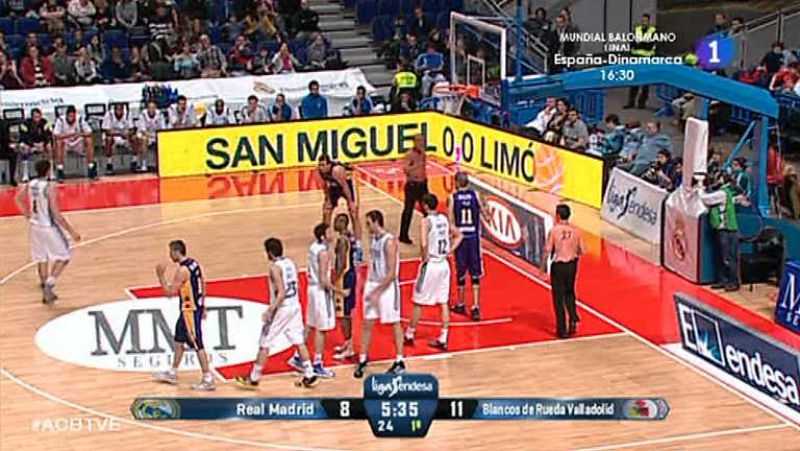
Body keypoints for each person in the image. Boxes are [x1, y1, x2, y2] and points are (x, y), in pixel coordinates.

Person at [235, 238, 318, 389]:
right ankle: (309, 373)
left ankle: (254, 378)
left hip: (282, 308)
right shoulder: (290, 263)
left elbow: (281, 293)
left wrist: (270, 310)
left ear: (270, 252)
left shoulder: (275, 268)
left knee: (265, 342)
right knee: (299, 341)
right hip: (295, 305)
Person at [151, 240, 216, 390]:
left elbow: (170, 292)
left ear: (176, 252)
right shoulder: (194, 264)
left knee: (197, 343)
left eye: (171, 252)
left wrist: (160, 276)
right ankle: (173, 372)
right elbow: (202, 283)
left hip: (190, 311)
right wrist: (203, 304)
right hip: (192, 307)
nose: (170, 255)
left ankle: (208, 378)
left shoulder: (182, 271)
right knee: (179, 339)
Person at [14, 160, 81, 303]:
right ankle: (49, 285)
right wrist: (72, 231)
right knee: (64, 256)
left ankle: (45, 287)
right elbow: (56, 214)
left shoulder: (30, 184)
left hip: (35, 225)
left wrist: (28, 215)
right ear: (48, 171)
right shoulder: (49, 187)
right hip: (47, 225)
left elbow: (18, 199)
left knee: (42, 257)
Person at [405, 194, 462, 349]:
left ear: (425, 205)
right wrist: (449, 250)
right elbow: (459, 235)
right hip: (444, 264)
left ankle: (409, 334)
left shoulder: (426, 221)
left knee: (418, 301)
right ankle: (443, 337)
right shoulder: (444, 218)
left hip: (431, 264)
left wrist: (424, 257)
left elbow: (424, 243)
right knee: (443, 302)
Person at [353, 210, 406, 378]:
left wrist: (377, 291)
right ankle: (362, 359)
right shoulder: (373, 239)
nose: (367, 227)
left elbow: (391, 273)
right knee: (367, 322)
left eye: (369, 223)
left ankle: (400, 360)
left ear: (377, 222)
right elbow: (373, 263)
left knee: (394, 323)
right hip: (373, 283)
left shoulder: (389, 242)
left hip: (387, 287)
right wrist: (368, 284)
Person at [291, 223, 346, 378]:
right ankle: (317, 364)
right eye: (329, 232)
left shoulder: (313, 247)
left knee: (310, 325)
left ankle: (297, 357)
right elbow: (324, 280)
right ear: (323, 236)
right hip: (321, 292)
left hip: (311, 289)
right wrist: (340, 291)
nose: (332, 233)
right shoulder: (323, 253)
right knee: (321, 329)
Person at [540, 204, 584, 338]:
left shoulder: (554, 231)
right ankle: (573, 317)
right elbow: (582, 250)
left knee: (558, 297)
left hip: (559, 266)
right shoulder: (576, 231)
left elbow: (547, 250)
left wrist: (543, 267)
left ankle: (562, 330)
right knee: (570, 292)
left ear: (558, 216)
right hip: (572, 265)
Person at [449, 172, 484, 320]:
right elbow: (485, 214)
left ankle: (461, 303)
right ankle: (475, 306)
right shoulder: (476, 195)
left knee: (461, 272)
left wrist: (451, 239)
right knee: (475, 274)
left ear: (456, 183)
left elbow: (450, 222)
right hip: (474, 238)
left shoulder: (453, 197)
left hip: (461, 239)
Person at [698, 172, 740, 292]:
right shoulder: (723, 192)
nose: (715, 180)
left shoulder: (722, 193)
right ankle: (722, 280)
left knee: (728, 258)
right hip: (721, 229)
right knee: (720, 256)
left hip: (727, 230)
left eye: (718, 178)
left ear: (722, 179)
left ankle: (733, 282)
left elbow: (705, 199)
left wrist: (699, 188)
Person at [317, 154, 362, 251]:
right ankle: (325, 238)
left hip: (349, 184)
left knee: (354, 212)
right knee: (327, 210)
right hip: (334, 187)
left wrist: (350, 202)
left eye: (323, 165)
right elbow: (325, 186)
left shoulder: (337, 170)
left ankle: (358, 243)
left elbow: (345, 187)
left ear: (329, 165)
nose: (321, 167)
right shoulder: (319, 171)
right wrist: (328, 200)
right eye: (320, 165)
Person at [332, 213, 358, 361]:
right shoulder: (349, 236)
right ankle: (347, 343)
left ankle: (350, 347)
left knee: (344, 314)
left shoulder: (342, 240)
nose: (334, 223)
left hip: (345, 277)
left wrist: (335, 279)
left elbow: (341, 263)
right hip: (351, 274)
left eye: (337, 221)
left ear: (343, 223)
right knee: (345, 314)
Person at [399, 134, 429, 244]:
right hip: (412, 185)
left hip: (422, 185)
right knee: (408, 210)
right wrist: (416, 167)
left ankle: (431, 232)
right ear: (414, 142)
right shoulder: (409, 155)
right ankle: (403, 235)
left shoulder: (423, 154)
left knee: (427, 210)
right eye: (419, 141)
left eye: (423, 141)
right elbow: (405, 169)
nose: (422, 143)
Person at [53, 105, 95, 181]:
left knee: (89, 140)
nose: (71, 118)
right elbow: (56, 135)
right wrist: (68, 135)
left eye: (73, 116)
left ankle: (91, 168)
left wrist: (79, 134)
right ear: (66, 115)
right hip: (66, 141)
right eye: (70, 116)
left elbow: (90, 132)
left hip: (78, 141)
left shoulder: (80, 119)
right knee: (59, 142)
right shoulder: (61, 120)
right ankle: (60, 170)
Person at [624, 14, 657, 109]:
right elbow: (632, 44)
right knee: (633, 81)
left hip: (647, 58)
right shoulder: (636, 30)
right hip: (636, 57)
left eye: (646, 21)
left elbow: (649, 46)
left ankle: (641, 103)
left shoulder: (653, 32)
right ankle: (631, 102)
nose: (644, 23)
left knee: (645, 82)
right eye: (642, 21)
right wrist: (642, 43)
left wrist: (640, 44)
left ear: (649, 22)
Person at [18, 109, 53, 183]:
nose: (37, 119)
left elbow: (48, 135)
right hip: (30, 144)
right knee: (23, 147)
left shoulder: (45, 122)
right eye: (35, 117)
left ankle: (50, 173)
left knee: (49, 147)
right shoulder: (25, 124)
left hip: (41, 144)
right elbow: (24, 137)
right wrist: (32, 144)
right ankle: (25, 174)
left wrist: (43, 143)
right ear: (32, 117)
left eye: (38, 117)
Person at [101, 103, 136, 175]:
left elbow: (132, 129)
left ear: (123, 110)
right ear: (114, 110)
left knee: (134, 138)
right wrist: (120, 133)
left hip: (125, 136)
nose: (119, 112)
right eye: (117, 110)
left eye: (121, 110)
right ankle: (109, 164)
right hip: (113, 136)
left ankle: (134, 161)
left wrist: (128, 134)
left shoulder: (128, 114)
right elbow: (106, 130)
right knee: (108, 139)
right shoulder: (109, 114)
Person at [136, 100, 165, 172]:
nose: (151, 109)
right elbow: (143, 131)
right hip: (145, 135)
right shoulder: (143, 114)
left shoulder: (160, 114)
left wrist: (156, 136)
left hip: (156, 135)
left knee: (164, 139)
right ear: (147, 108)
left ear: (155, 108)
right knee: (144, 139)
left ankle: (161, 163)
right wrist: (153, 135)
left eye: (153, 107)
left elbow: (163, 128)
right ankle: (144, 164)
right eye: (150, 107)